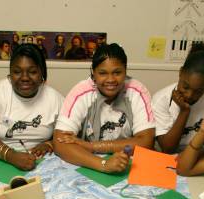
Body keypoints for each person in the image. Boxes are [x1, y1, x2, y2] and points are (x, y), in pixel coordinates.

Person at [53, 43, 155, 173]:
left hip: (126, 161)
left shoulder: (137, 90)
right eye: (102, 73)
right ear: (93, 73)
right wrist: (103, 164)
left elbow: (146, 142)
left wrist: (92, 146)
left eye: (117, 72)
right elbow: (59, 143)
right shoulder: (81, 91)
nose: (110, 80)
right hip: (90, 162)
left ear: (126, 71)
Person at [0, 44, 63, 171]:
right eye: (17, 72)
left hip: (42, 163)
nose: (25, 78)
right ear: (10, 73)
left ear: (42, 73)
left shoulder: (56, 99)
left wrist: (49, 143)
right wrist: (12, 156)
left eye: (32, 72)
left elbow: (69, 135)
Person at [152, 42, 204, 153]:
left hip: (199, 154)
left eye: (199, 91)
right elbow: (167, 148)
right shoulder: (161, 99)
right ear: (180, 72)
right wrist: (184, 111)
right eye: (185, 87)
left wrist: (193, 155)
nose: (189, 95)